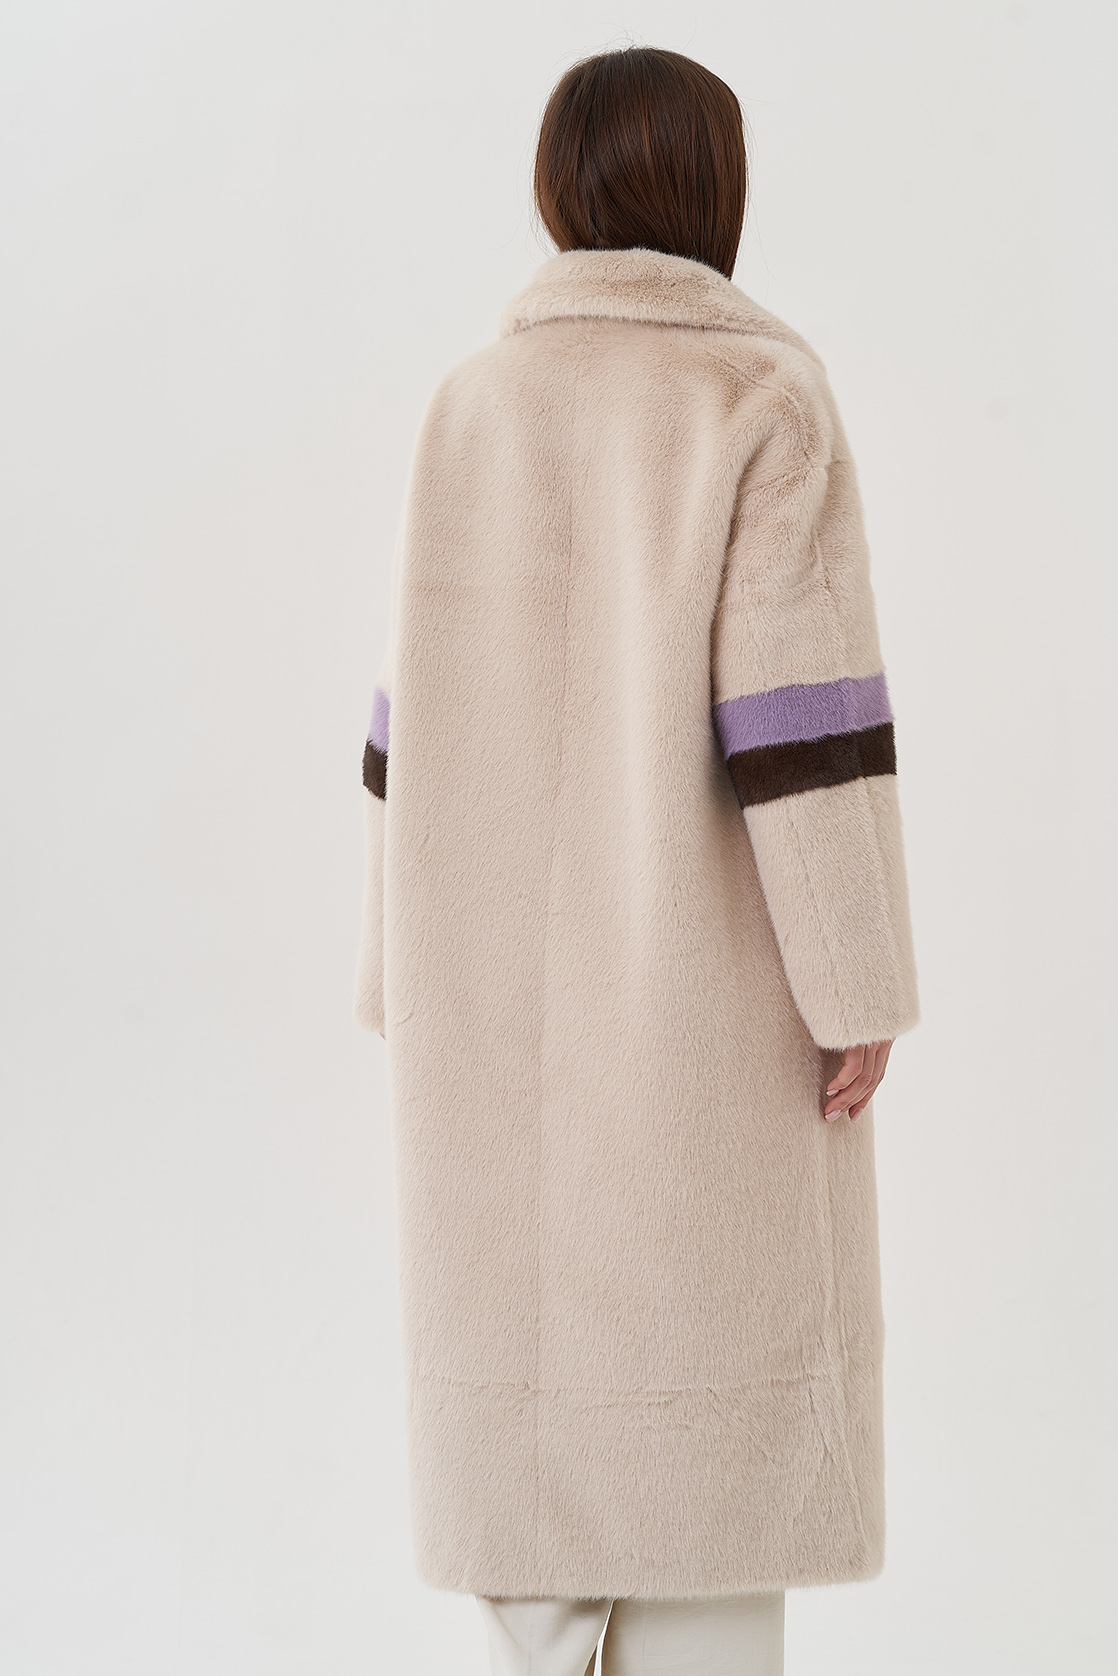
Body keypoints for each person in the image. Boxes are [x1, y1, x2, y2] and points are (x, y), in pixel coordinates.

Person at [354, 45, 919, 1676]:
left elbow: (404, 716)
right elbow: (802, 726)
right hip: (700, 997)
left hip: (488, 1003)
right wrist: (858, 987)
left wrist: (392, 966)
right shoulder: (756, 401)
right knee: (706, 1476)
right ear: (716, 191)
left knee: (529, 1463)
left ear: (558, 190)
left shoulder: (472, 402)